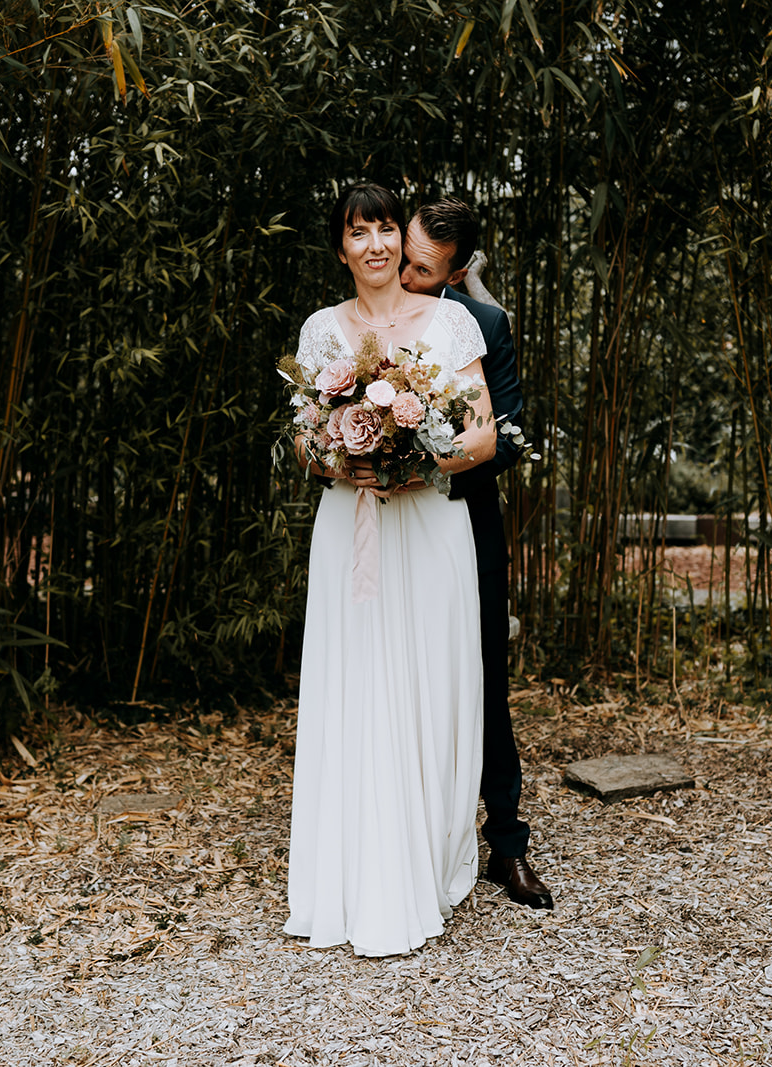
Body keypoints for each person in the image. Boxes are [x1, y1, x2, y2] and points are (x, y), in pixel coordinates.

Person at [283, 182, 497, 957]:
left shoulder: (452, 320)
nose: (373, 244)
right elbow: (305, 442)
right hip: (353, 525)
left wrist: (418, 458)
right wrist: (343, 460)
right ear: (339, 247)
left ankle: (426, 854)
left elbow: (481, 439)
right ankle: (351, 871)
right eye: (357, 231)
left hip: (430, 522)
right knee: (356, 680)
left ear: (398, 240)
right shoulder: (319, 330)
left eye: (382, 228)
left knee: (429, 684)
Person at [398, 198, 553, 910]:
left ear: (458, 272)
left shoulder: (484, 324)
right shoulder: (371, 313)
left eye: (422, 268)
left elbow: (511, 435)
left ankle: (508, 844)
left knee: (486, 675)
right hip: (389, 526)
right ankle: (401, 834)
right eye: (402, 255)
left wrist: (429, 456)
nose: (402, 272)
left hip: (464, 522)